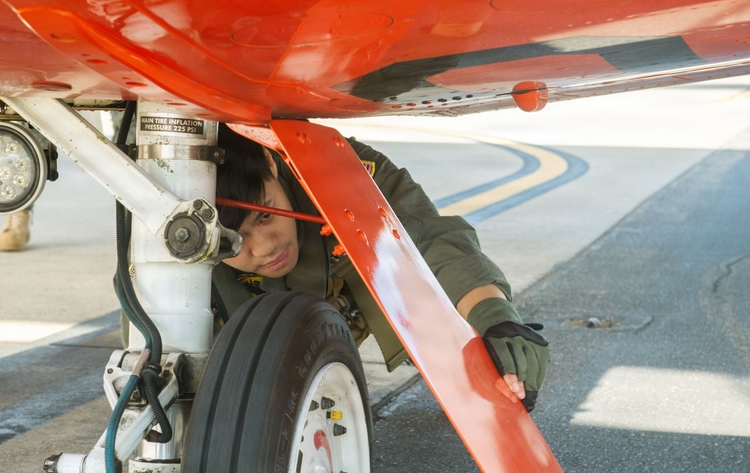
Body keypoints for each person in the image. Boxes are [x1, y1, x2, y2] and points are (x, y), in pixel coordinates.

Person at [211, 124, 550, 411]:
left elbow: (428, 239)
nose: (265, 246)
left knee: (439, 312)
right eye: (236, 237)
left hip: (334, 319)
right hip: (231, 333)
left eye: (266, 214)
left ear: (269, 163)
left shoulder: (333, 166)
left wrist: (496, 320)